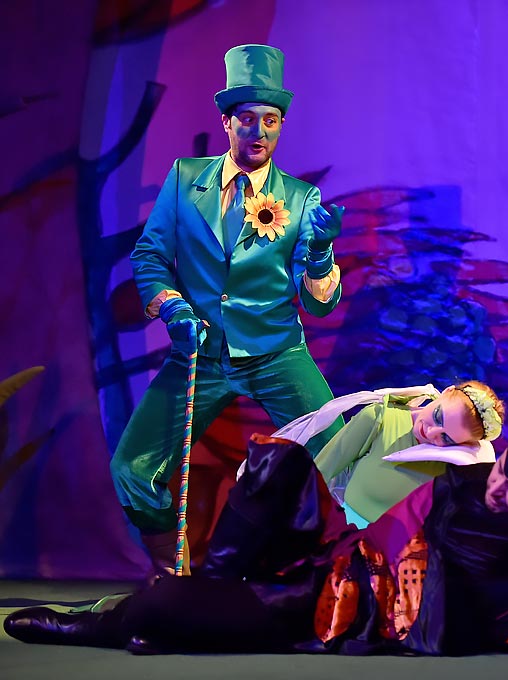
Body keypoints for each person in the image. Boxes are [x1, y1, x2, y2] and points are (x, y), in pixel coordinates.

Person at [5, 424, 508, 656]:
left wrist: (447, 615)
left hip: (375, 618)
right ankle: (206, 592)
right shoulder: (463, 480)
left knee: (164, 603)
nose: (497, 490)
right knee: (279, 460)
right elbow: (391, 533)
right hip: (352, 572)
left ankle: (109, 625)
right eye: (501, 472)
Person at [109, 44, 346, 576]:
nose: (258, 131)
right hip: (199, 353)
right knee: (132, 468)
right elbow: (150, 255)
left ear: (280, 127)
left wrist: (320, 252)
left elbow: (319, 304)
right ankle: (172, 577)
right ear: (227, 122)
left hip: (275, 352)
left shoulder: (301, 199)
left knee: (344, 461)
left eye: (270, 120)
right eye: (246, 119)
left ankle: (357, 579)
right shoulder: (184, 178)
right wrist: (171, 305)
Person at [286, 381, 505, 528]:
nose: (430, 432)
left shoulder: (455, 464)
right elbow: (320, 472)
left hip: (396, 561)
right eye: (438, 416)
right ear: (446, 392)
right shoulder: (380, 418)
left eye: (446, 437)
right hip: (339, 536)